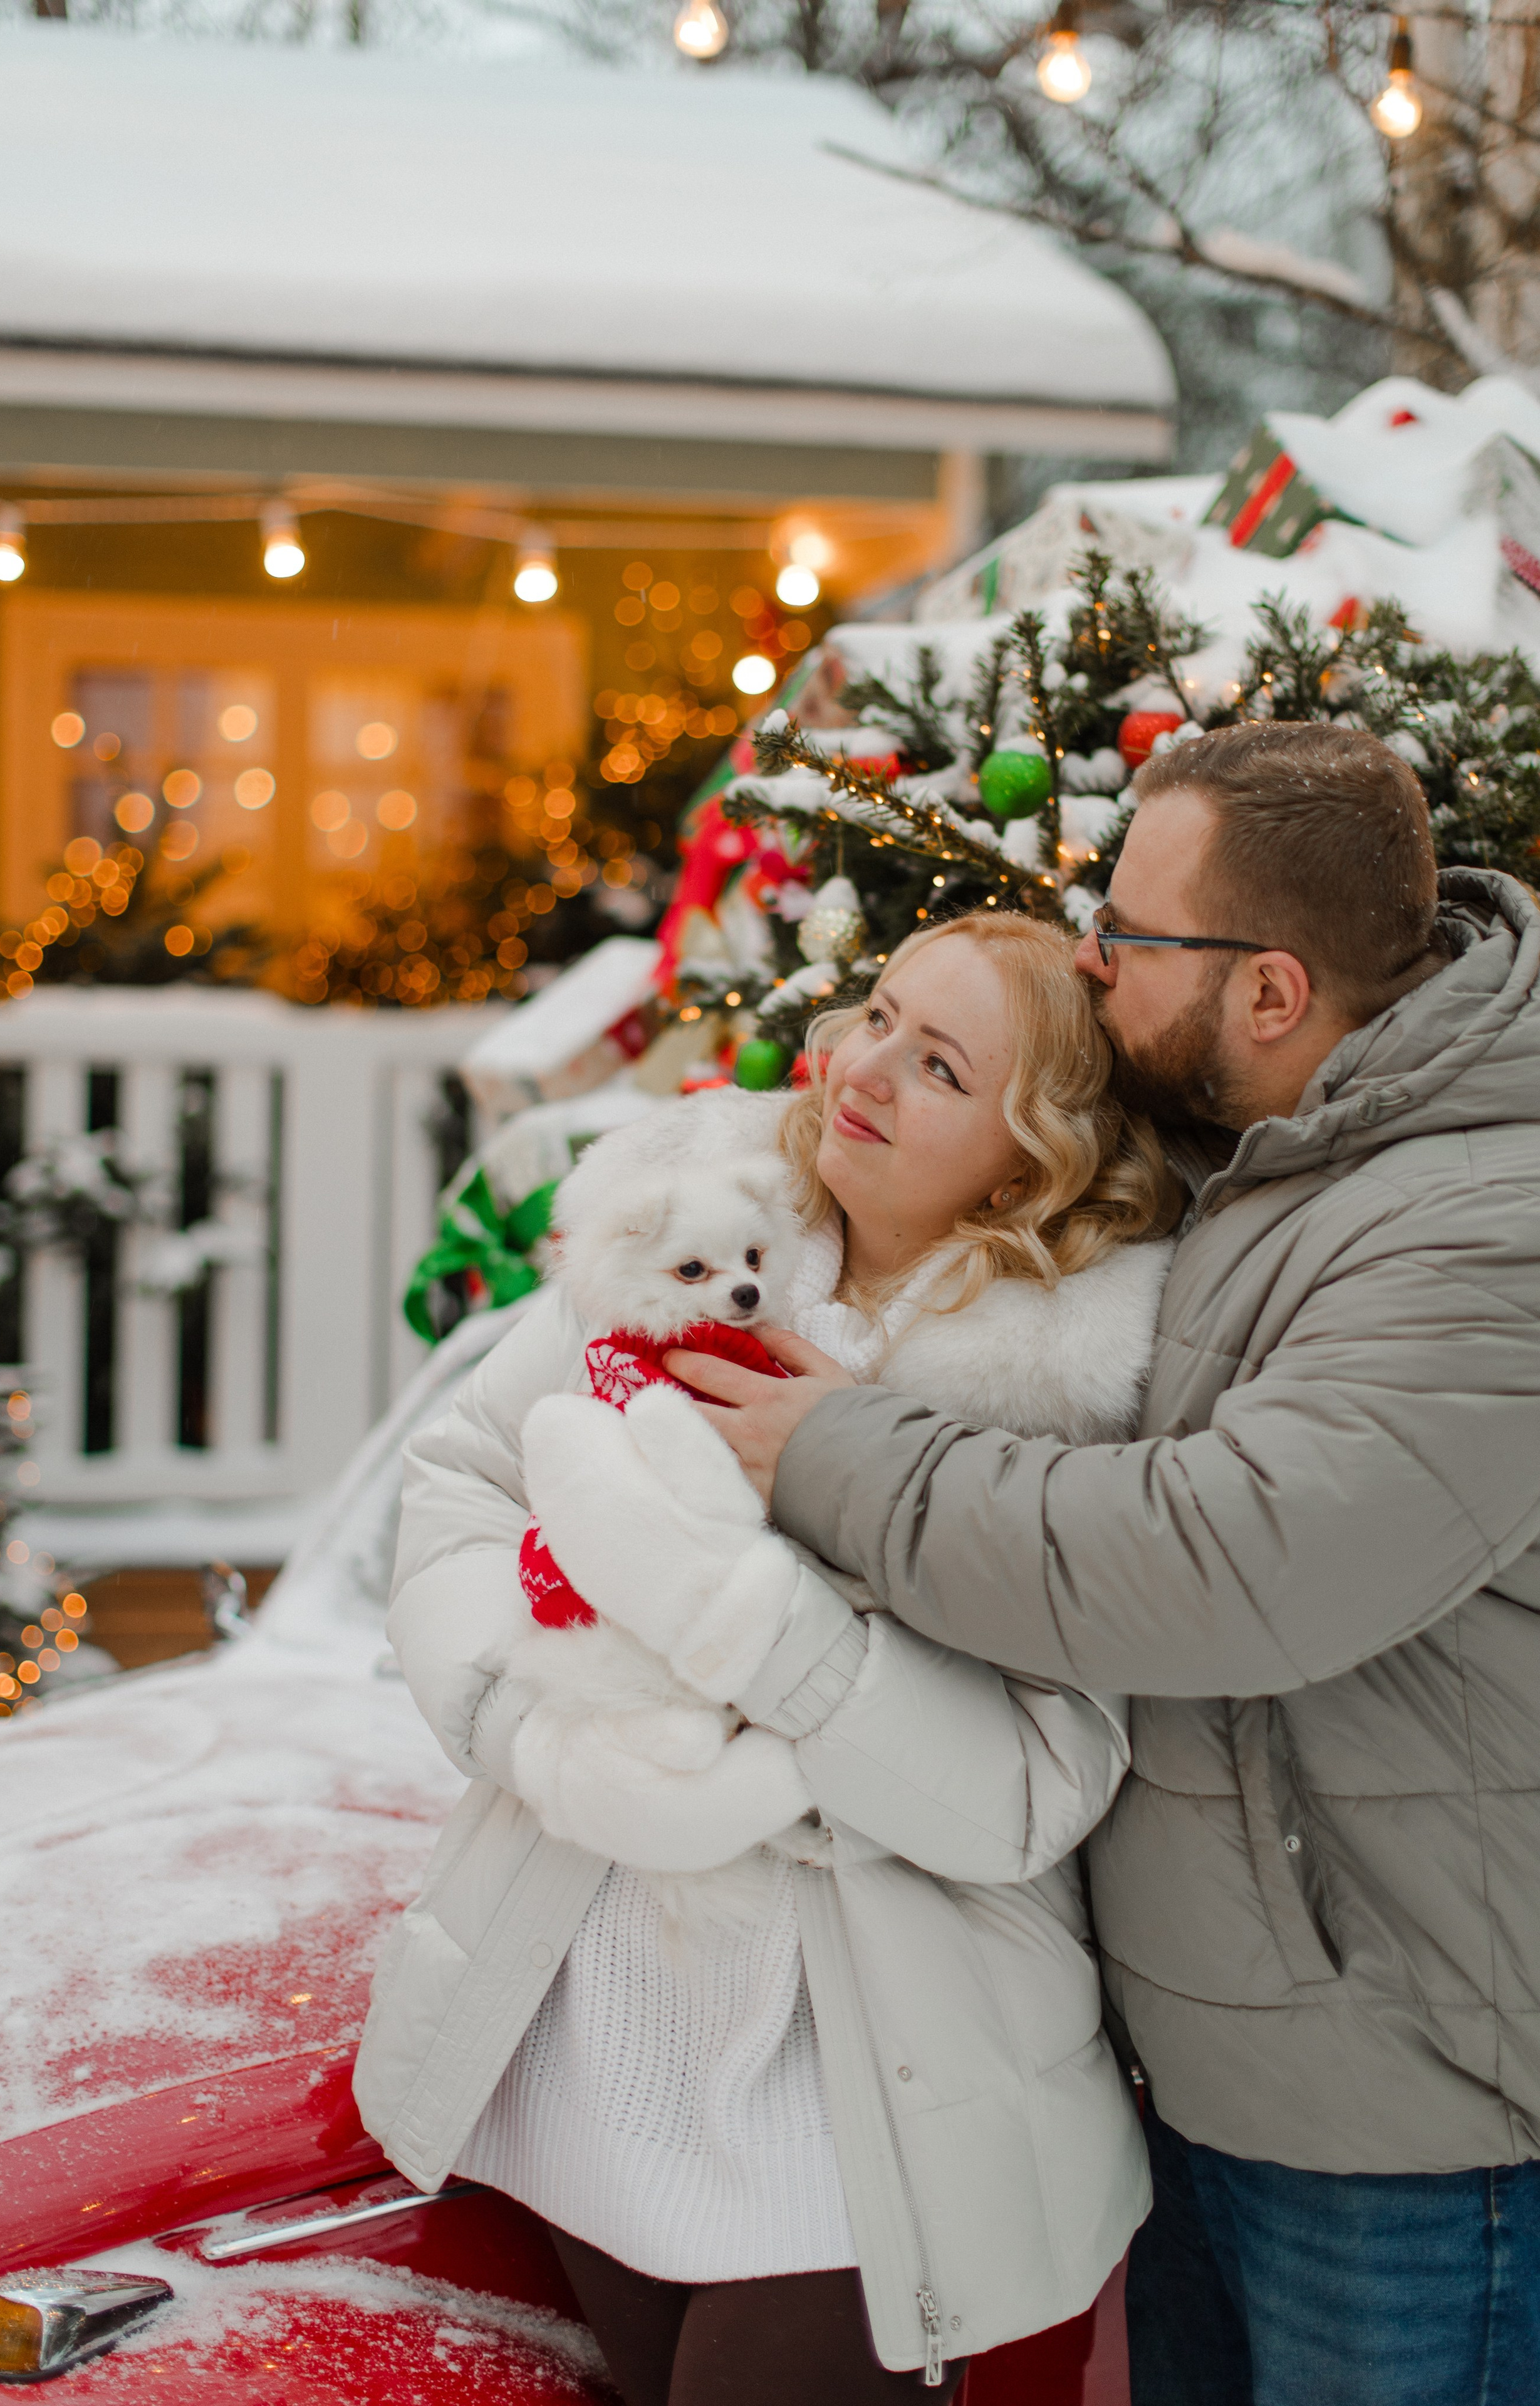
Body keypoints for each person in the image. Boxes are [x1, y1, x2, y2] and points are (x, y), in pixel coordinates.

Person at [669, 721, 1540, 2406]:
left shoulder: (1487, 1223)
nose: (1092, 956)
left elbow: (1232, 1563)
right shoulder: (1283, 1149)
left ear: (1273, 991)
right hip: (1232, 2074)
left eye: (1132, 938)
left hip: (1422, 2132)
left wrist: (840, 1457)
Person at [355, 912, 1180, 2404]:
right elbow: (467, 1476)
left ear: (1026, 1153)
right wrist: (536, 1734)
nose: (862, 1067)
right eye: (875, 1014)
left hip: (858, 2078)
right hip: (592, 2010)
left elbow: (1028, 1791)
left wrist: (752, 1606)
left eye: (936, 1065)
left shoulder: (1050, 1396)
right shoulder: (708, 1228)